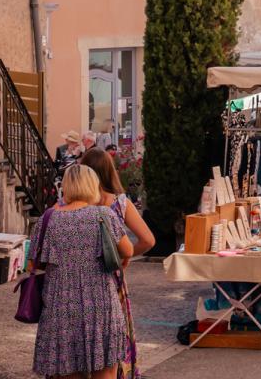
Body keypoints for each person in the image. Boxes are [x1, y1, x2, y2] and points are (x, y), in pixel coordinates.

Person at [33, 163, 134, 379]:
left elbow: (33, 264)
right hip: (101, 306)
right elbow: (128, 250)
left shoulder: (47, 219)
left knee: (67, 371)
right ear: (92, 187)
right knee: (105, 372)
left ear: (66, 187)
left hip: (60, 309)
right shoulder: (103, 215)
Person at [80, 148, 155, 379]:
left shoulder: (73, 203)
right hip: (111, 280)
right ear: (109, 171)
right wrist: (125, 256)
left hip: (80, 279)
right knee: (112, 340)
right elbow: (148, 240)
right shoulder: (119, 203)